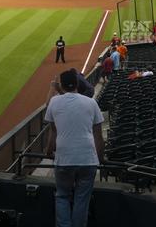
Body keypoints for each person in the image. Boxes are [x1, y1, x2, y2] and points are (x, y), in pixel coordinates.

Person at [45, 70, 104, 227]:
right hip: (88, 159)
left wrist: (49, 150)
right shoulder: (91, 103)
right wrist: (100, 159)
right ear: (77, 84)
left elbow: (53, 131)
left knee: (62, 196)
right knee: (81, 199)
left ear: (61, 86)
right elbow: (99, 137)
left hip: (64, 159)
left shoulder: (54, 102)